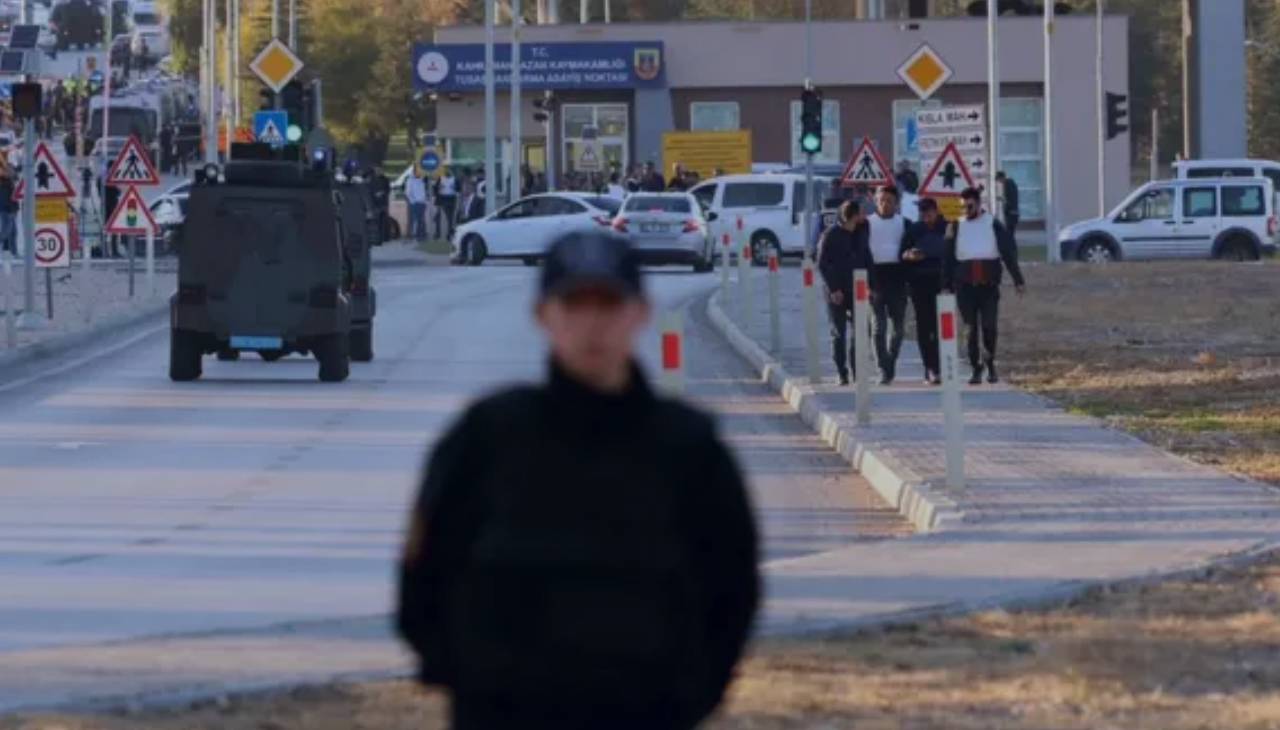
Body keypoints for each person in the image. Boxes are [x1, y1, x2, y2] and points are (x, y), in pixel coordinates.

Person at [398, 230, 760, 730]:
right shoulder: (487, 438)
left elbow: (732, 588)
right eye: (574, 304)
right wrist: (471, 683)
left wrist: (689, 698)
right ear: (543, 315)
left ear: (639, 314)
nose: (593, 324)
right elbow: (423, 579)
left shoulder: (688, 451)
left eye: (608, 304)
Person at [944, 187, 1026, 385]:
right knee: (971, 329)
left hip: (988, 286)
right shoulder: (955, 226)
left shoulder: (993, 224)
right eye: (963, 207)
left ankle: (990, 363)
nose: (966, 210)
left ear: (979, 204)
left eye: (970, 206)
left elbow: (1007, 253)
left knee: (989, 326)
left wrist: (1018, 280)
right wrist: (945, 285)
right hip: (965, 287)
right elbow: (947, 259)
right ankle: (975, 368)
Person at [817, 200, 870, 386]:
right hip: (836, 292)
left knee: (860, 332)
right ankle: (842, 372)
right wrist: (834, 289)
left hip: (858, 290)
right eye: (860, 214)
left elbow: (866, 258)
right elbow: (822, 264)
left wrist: (871, 285)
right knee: (839, 332)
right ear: (853, 215)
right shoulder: (830, 235)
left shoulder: (861, 233)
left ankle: (858, 371)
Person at [866, 185, 910, 385]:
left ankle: (890, 360)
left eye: (889, 201)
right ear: (875, 201)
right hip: (874, 278)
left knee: (898, 329)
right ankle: (883, 369)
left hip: (897, 279)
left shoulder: (905, 224)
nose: (885, 204)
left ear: (896, 203)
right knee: (878, 328)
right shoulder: (866, 224)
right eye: (881, 200)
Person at [901, 198, 947, 385]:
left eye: (929, 213)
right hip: (920, 284)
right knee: (924, 327)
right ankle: (930, 368)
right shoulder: (914, 230)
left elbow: (955, 255)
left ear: (936, 211)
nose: (926, 217)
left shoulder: (948, 228)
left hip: (942, 284)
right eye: (923, 214)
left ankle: (942, 366)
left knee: (942, 328)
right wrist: (909, 255)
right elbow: (902, 254)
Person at [995, 171, 1020, 246]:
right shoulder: (1011, 183)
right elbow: (1011, 198)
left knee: (1009, 234)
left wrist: (1001, 199)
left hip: (1011, 213)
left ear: (1001, 177)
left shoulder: (1007, 184)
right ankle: (1011, 248)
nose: (999, 182)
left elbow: (1009, 200)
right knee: (1010, 234)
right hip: (1014, 213)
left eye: (998, 180)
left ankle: (1011, 250)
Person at [434, 167, 459, 240]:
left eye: (449, 171)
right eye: (446, 171)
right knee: (438, 217)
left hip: (451, 199)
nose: (447, 172)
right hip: (441, 199)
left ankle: (449, 234)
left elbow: (459, 189)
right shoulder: (440, 178)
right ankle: (437, 233)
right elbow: (435, 189)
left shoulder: (455, 179)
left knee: (450, 218)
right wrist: (439, 187)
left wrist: (455, 187)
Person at [405, 170, 428, 241]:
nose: (419, 173)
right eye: (417, 172)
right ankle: (413, 236)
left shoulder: (422, 180)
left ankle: (421, 235)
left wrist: (424, 201)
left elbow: (423, 191)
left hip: (422, 203)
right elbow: (408, 193)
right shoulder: (410, 180)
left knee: (421, 220)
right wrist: (413, 202)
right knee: (414, 220)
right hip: (415, 203)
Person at [0, 161, 15, 256]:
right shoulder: (4, 181)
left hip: (10, 207)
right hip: (5, 208)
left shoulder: (9, 181)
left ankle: (12, 251)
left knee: (12, 230)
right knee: (7, 228)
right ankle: (8, 249)